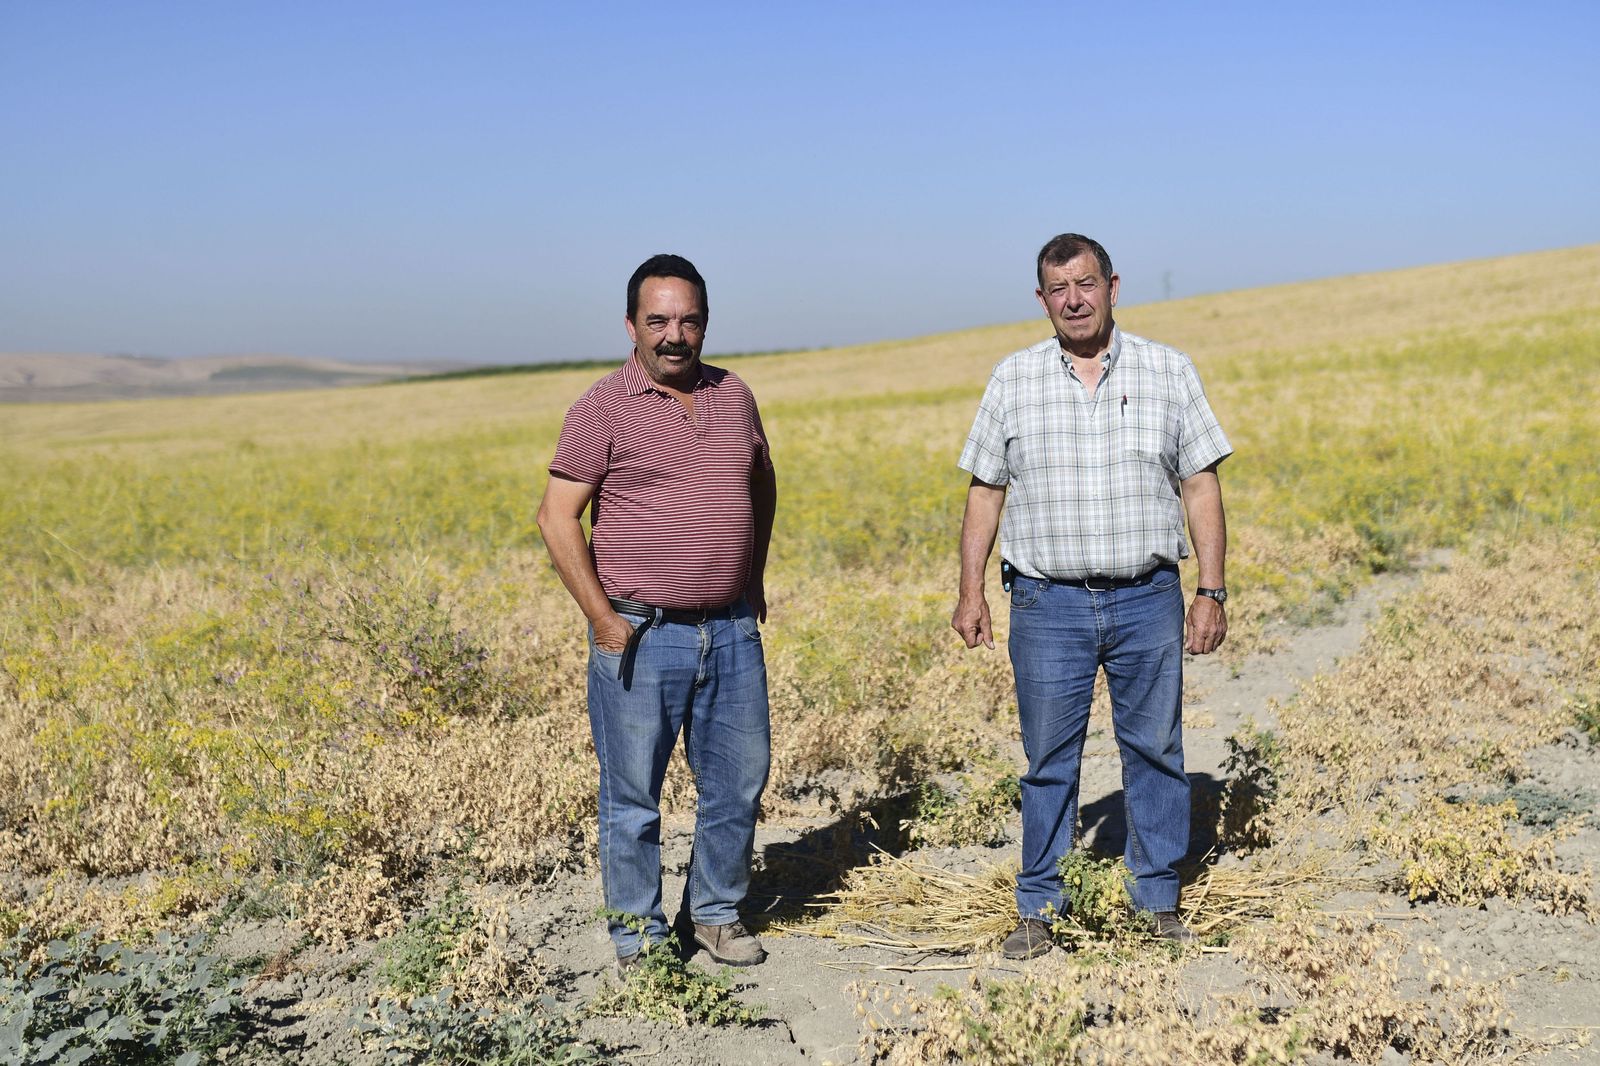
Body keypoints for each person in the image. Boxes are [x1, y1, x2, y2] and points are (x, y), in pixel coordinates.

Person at [951, 233, 1231, 959]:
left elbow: (1200, 484)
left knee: (1156, 750)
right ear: (1041, 299)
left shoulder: (1169, 370)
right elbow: (985, 491)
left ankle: (1156, 898)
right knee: (1049, 758)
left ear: (1112, 285)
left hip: (1148, 599)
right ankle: (1040, 905)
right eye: (1057, 289)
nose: (1073, 300)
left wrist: (1211, 589)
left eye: (1085, 284)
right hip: (1048, 606)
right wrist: (970, 591)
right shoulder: (1012, 380)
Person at [537, 253, 777, 972]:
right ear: (632, 325)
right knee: (634, 798)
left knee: (738, 783)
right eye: (659, 320)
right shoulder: (601, 407)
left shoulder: (735, 395)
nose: (675, 335)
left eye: (689, 320)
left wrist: (753, 575)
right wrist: (605, 619)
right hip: (641, 632)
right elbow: (556, 519)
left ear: (705, 323)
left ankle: (714, 914)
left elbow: (761, 485)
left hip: (731, 629)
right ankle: (637, 938)